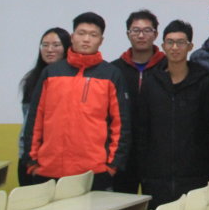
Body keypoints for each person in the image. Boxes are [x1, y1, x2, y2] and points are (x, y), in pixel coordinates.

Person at [23, 12, 130, 190]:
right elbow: (35, 120)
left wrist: (112, 165)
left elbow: (121, 124)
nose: (86, 39)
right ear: (72, 37)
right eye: (81, 33)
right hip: (48, 170)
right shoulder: (51, 73)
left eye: (93, 35)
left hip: (93, 172)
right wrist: (32, 161)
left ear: (101, 40)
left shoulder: (111, 75)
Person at [136, 20, 209, 209]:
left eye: (180, 42)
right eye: (170, 42)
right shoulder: (151, 82)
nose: (174, 48)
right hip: (156, 177)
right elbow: (142, 128)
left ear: (190, 46)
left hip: (195, 175)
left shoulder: (204, 82)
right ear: (163, 46)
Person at [111, 9, 166, 194]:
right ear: (128, 34)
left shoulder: (168, 67)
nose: (141, 35)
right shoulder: (114, 70)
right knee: (122, 204)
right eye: (136, 30)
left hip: (158, 152)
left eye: (147, 30)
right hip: (124, 154)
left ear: (156, 34)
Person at [17, 27, 71, 186]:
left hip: (61, 157)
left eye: (56, 45)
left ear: (67, 48)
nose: (49, 50)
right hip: (32, 157)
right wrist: (27, 155)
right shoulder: (32, 79)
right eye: (45, 45)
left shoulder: (74, 79)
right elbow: (27, 123)